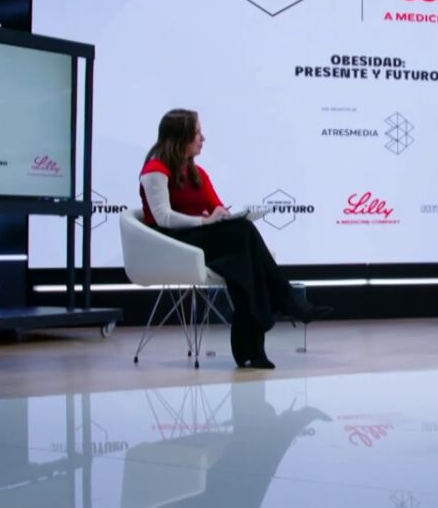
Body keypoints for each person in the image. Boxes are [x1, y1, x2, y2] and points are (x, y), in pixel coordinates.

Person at [138, 108, 330, 369]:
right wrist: (204, 221)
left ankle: (251, 350)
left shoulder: (197, 173)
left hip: (200, 240)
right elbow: (163, 217)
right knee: (244, 235)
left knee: (243, 260)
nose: (203, 138)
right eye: (197, 133)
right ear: (180, 137)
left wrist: (223, 216)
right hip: (173, 243)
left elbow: (217, 207)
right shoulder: (155, 169)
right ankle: (288, 305)